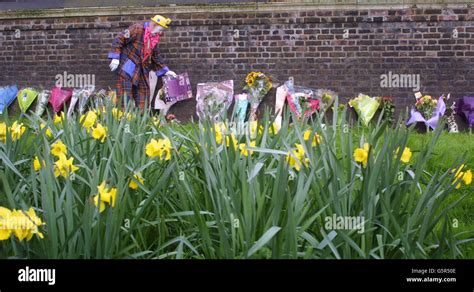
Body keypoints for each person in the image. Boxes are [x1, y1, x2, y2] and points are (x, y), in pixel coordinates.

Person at [108, 14, 177, 108]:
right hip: (128, 66)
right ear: (154, 25)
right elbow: (119, 39)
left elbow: (156, 56)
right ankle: (124, 118)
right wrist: (115, 57)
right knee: (125, 95)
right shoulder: (137, 29)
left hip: (141, 68)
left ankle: (140, 120)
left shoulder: (154, 39)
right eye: (160, 29)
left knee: (143, 93)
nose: (160, 33)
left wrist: (166, 71)